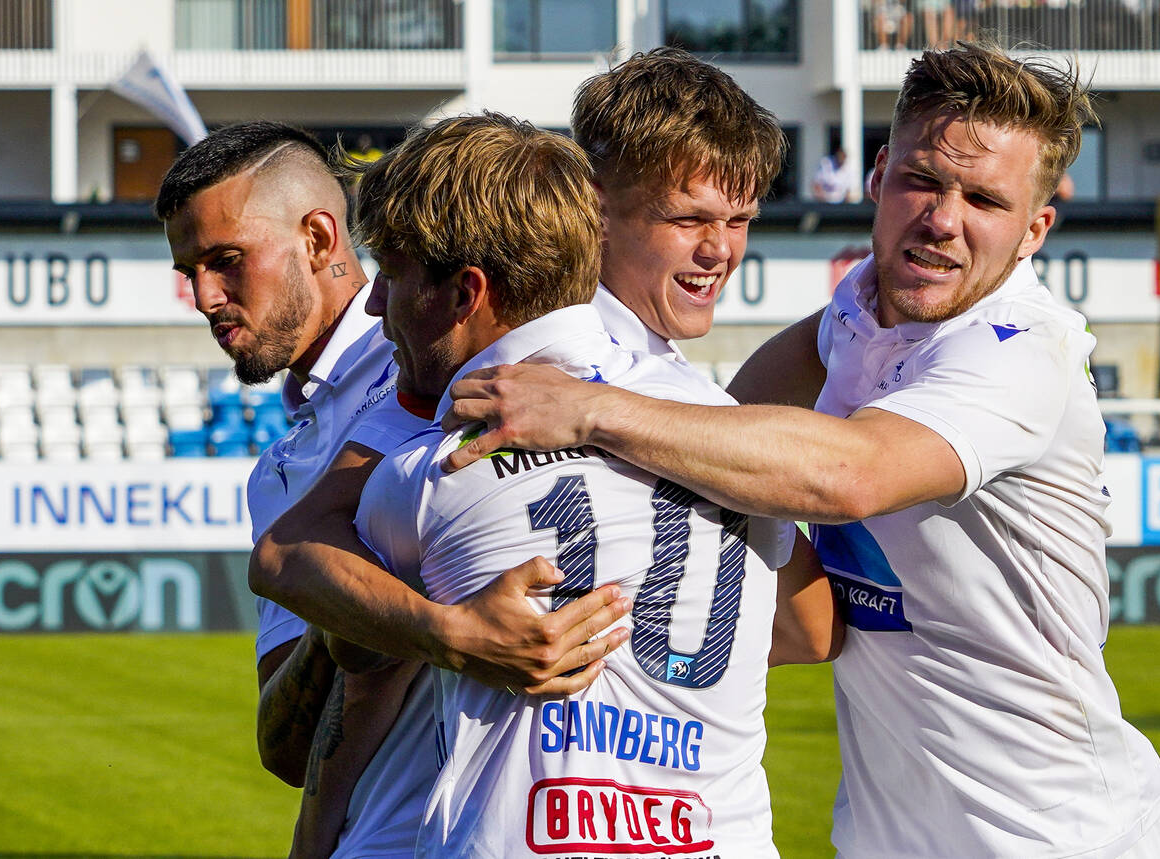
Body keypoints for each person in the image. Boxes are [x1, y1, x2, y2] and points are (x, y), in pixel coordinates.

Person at [442, 41, 1160, 857]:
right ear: (879, 175)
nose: (942, 217)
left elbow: (848, 474)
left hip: (1052, 835)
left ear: (1035, 229)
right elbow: (727, 423)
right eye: (922, 180)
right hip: (885, 835)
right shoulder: (858, 309)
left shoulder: (1020, 350)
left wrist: (590, 409)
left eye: (984, 199)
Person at [257, 110, 839, 858]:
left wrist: (456, 638)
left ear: (464, 293)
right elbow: (812, 626)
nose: (375, 306)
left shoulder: (435, 474)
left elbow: (287, 559)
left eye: (393, 277)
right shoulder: (725, 434)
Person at [156, 121, 623, 858]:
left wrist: (360, 596)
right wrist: (357, 604)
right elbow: (284, 742)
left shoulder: (445, 349)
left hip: (515, 819)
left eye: (226, 260)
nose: (206, 296)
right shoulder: (280, 468)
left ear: (317, 238)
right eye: (192, 271)